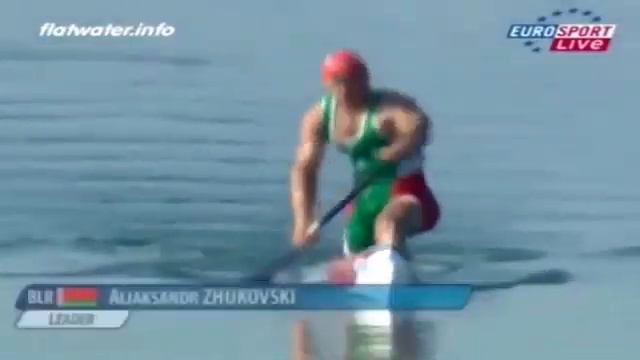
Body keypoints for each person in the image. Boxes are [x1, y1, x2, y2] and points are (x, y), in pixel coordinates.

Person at [290, 49, 440, 281]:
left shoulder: (390, 107)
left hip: (408, 193)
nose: (351, 89)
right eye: (342, 82)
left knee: (389, 223)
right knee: (356, 252)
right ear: (328, 84)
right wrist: (304, 220)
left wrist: (397, 149)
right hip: (364, 199)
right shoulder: (318, 118)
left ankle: (393, 271)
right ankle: (382, 270)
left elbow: (420, 127)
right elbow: (305, 169)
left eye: (358, 80)